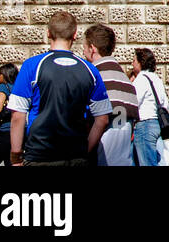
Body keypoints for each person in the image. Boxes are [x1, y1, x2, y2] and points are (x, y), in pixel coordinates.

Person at [8, 10, 111, 166]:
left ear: (48, 33)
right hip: (75, 155)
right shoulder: (90, 70)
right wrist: (85, 150)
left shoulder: (32, 66)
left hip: (39, 153)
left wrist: (15, 157)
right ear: (75, 35)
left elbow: (17, 115)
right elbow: (102, 119)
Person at [82, 24, 139, 166]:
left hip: (100, 157)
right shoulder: (125, 80)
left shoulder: (94, 76)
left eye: (84, 47)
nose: (83, 52)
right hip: (123, 158)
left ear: (92, 48)